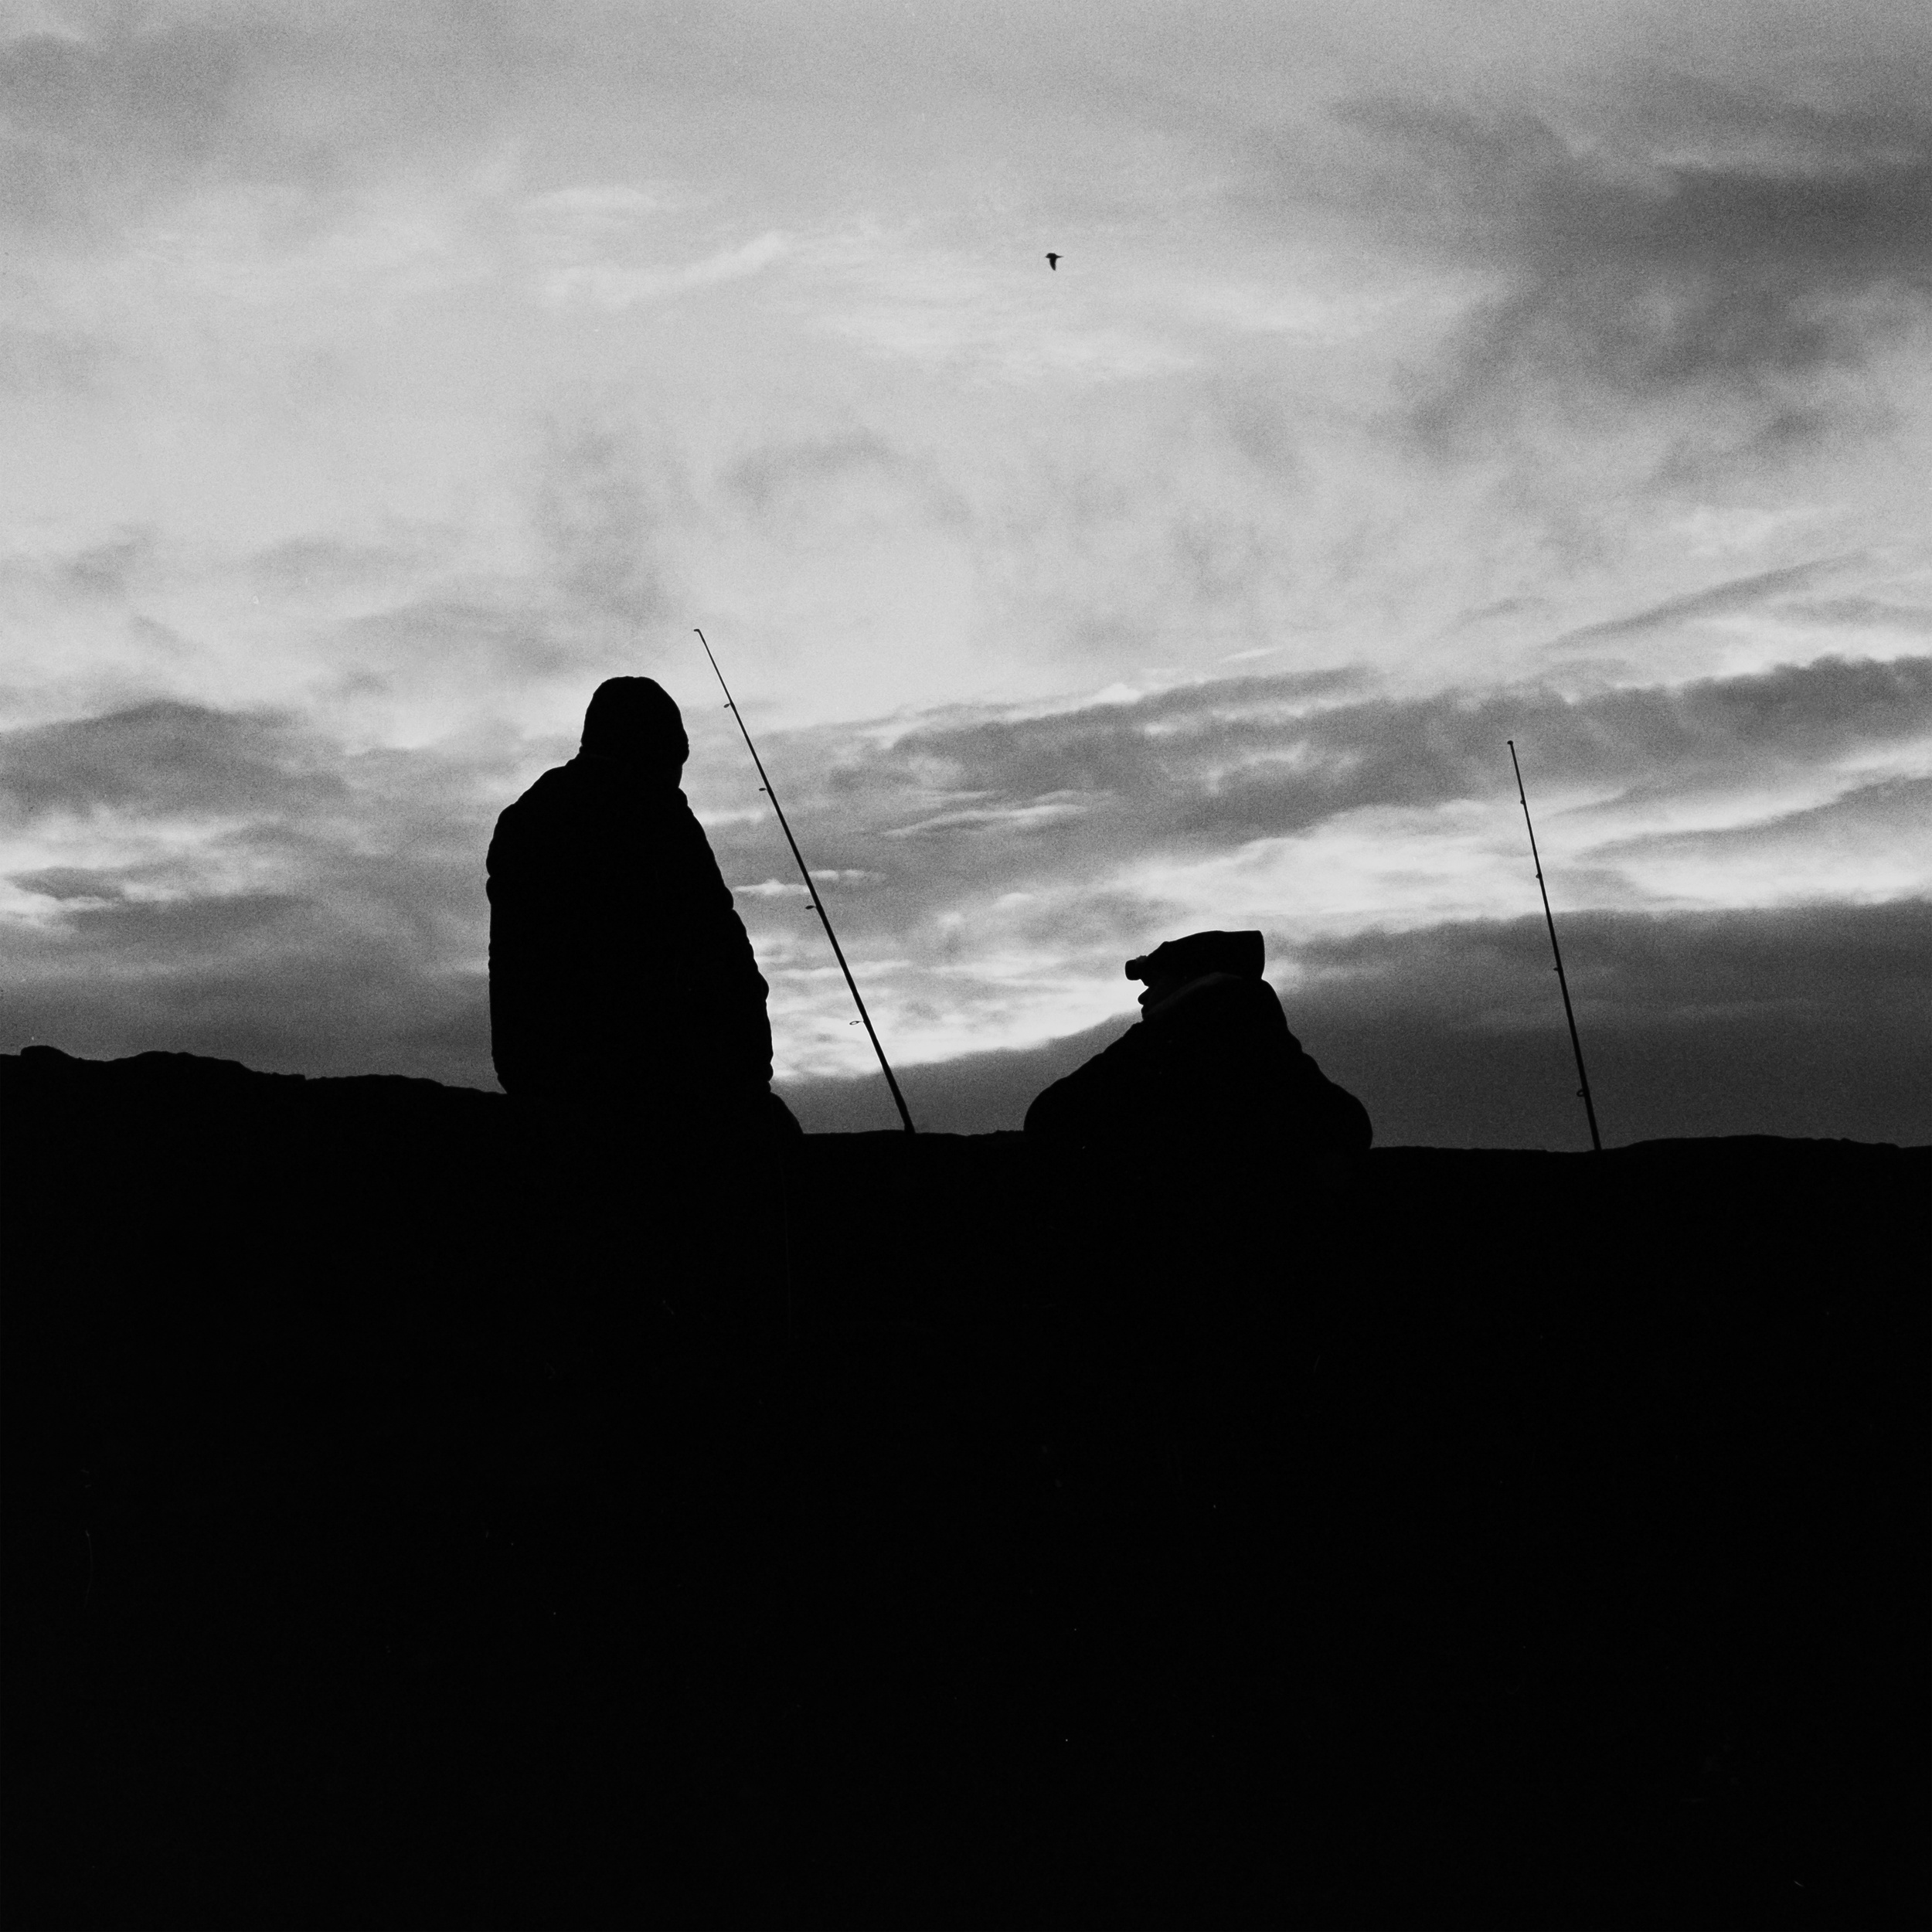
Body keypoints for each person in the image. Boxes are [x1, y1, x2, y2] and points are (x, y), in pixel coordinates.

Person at [486, 676, 797, 1151]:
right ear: (654, 749)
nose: (678, 777)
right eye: (676, 759)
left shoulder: (526, 817)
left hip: (542, 1075)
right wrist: (750, 1076)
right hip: (649, 1088)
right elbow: (721, 956)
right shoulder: (656, 819)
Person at [1022, 928, 1371, 1163]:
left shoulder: (1161, 1046)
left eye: (1155, 982)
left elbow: (1048, 1117)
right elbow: (1351, 1127)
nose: (1144, 995)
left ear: (1189, 982)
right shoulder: (1268, 1044)